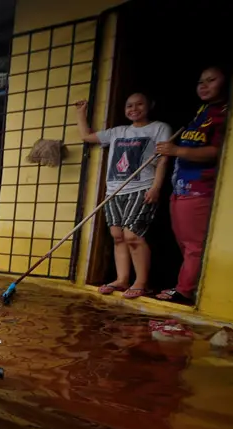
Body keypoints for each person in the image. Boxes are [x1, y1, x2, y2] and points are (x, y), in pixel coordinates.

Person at [74, 93, 172, 298]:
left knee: (132, 235)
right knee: (118, 237)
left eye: (139, 104)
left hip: (141, 188)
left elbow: (163, 160)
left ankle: (141, 282)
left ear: (150, 105)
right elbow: (87, 136)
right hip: (114, 190)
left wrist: (156, 187)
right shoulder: (118, 132)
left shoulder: (159, 128)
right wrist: (80, 113)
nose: (134, 109)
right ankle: (122, 279)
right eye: (129, 106)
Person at [155, 66, 230, 305]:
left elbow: (216, 151)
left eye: (211, 80)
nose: (204, 85)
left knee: (193, 245)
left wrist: (177, 150)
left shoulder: (224, 113)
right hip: (181, 188)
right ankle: (184, 285)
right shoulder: (202, 112)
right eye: (201, 81)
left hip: (199, 188)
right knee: (183, 242)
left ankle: (185, 293)